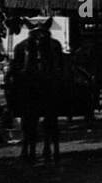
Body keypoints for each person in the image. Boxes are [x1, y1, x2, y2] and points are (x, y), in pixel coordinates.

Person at [8, 22, 65, 163]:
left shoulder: (54, 46)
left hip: (49, 85)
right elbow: (15, 70)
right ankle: (29, 148)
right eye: (36, 36)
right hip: (29, 87)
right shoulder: (21, 47)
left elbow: (60, 67)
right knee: (28, 120)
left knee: (50, 118)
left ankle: (48, 147)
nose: (39, 40)